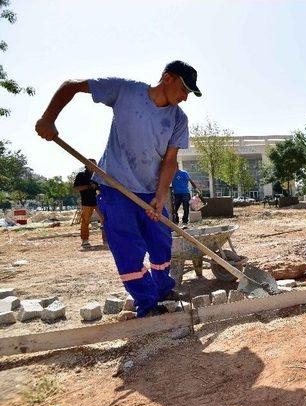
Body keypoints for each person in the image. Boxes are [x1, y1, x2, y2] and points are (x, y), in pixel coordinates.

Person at [35, 60, 202, 318]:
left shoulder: (179, 118)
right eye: (184, 89)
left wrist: (161, 196)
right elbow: (72, 86)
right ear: (167, 78)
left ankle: (162, 288)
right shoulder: (126, 91)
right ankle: (146, 304)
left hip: (150, 192)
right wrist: (48, 118)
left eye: (189, 93)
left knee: (161, 242)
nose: (185, 97)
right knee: (128, 249)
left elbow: (170, 161)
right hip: (116, 190)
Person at [73, 158, 105, 248]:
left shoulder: (98, 175)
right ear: (86, 165)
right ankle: (85, 240)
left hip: (98, 201)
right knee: (85, 222)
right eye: (91, 164)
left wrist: (97, 186)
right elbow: (76, 188)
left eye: (95, 165)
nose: (94, 166)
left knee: (105, 219)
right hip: (86, 202)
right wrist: (88, 186)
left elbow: (102, 187)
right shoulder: (81, 175)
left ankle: (106, 240)